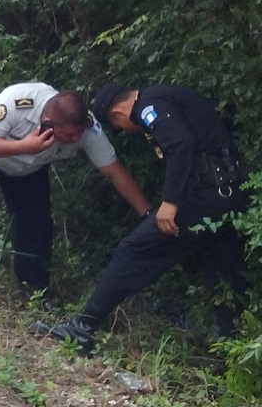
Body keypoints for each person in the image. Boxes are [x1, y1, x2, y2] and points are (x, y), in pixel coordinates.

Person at [34, 83, 249, 353]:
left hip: (206, 197)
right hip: (231, 195)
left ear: (118, 113)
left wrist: (170, 203)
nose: (125, 130)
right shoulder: (166, 96)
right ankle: (237, 354)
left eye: (118, 125)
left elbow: (180, 144)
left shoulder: (149, 107)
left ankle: (83, 326)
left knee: (134, 250)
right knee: (227, 276)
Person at [0, 84, 152, 299]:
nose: (75, 140)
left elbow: (115, 172)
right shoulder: (16, 103)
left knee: (37, 222)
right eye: (69, 136)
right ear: (46, 124)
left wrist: (148, 214)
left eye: (78, 134)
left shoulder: (87, 129)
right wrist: (25, 146)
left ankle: (34, 290)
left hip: (29, 166)